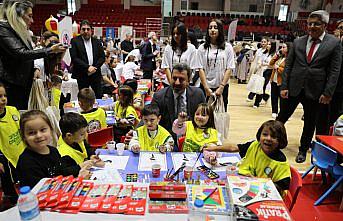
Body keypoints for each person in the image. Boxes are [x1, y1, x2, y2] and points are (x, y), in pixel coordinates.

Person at [276, 10, 342, 163]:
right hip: (293, 87)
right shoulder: (298, 41)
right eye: (309, 23)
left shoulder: (334, 43)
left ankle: (303, 149)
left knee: (310, 122)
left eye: (316, 24)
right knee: (282, 117)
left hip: (316, 91)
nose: (311, 27)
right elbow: (288, 66)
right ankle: (272, 140)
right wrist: (284, 86)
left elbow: (334, 70)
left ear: (324, 25)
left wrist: (328, 92)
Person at [0, 0, 66, 110]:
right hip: (11, 85)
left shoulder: (19, 31)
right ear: (18, 16)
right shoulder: (3, 28)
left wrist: (34, 67)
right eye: (29, 16)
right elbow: (20, 53)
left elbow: (27, 55)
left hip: (22, 83)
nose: (32, 20)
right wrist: (49, 50)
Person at [204, 120, 291, 195]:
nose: (268, 138)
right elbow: (233, 147)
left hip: (265, 193)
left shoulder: (281, 162)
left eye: (273, 136)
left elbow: (281, 188)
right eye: (265, 134)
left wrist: (256, 181)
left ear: (280, 140)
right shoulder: (255, 145)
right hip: (246, 183)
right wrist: (212, 148)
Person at [16, 110, 80, 188]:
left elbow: (61, 172)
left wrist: (80, 168)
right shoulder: (27, 161)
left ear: (51, 129)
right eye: (31, 133)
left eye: (43, 130)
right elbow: (39, 189)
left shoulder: (54, 151)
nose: (39, 135)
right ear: (24, 137)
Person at [197, 19, 235, 111]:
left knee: (220, 113)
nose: (212, 30)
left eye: (215, 28)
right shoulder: (202, 48)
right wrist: (206, 87)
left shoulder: (228, 47)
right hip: (205, 87)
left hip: (221, 87)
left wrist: (221, 87)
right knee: (205, 113)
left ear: (220, 30)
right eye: (210, 28)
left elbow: (229, 68)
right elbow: (200, 68)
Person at [0, 82, 25, 207]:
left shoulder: (13, 110)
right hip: (6, 159)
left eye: (4, 95)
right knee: (10, 183)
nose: (3, 99)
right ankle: (12, 200)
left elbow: (21, 128)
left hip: (21, 150)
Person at [58, 112, 104, 177]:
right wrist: (81, 166)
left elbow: (87, 148)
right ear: (69, 135)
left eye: (86, 131)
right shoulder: (63, 153)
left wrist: (91, 155)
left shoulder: (76, 138)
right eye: (82, 134)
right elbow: (65, 172)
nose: (86, 136)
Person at [70, 20, 105, 99]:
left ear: (91, 30)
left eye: (88, 29)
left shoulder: (97, 41)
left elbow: (102, 57)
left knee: (98, 96)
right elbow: (74, 58)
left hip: (95, 74)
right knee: (83, 97)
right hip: (82, 74)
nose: (86, 31)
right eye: (83, 29)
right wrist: (87, 67)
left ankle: (98, 111)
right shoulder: (74, 41)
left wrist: (94, 68)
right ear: (80, 30)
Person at [269, 43, 290, 118]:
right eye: (281, 47)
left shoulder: (289, 59)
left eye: (284, 47)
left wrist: (278, 68)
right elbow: (271, 63)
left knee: (282, 99)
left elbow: (287, 71)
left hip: (282, 81)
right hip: (274, 80)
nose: (282, 49)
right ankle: (274, 111)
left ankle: (283, 113)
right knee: (273, 96)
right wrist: (277, 54)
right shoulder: (279, 57)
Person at [246, 37, 270, 103]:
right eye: (262, 42)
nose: (263, 43)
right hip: (258, 69)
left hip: (266, 70)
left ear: (267, 43)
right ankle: (264, 97)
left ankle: (256, 98)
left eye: (264, 42)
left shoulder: (269, 52)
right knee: (256, 83)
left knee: (262, 85)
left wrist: (263, 64)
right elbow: (255, 60)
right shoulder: (258, 50)